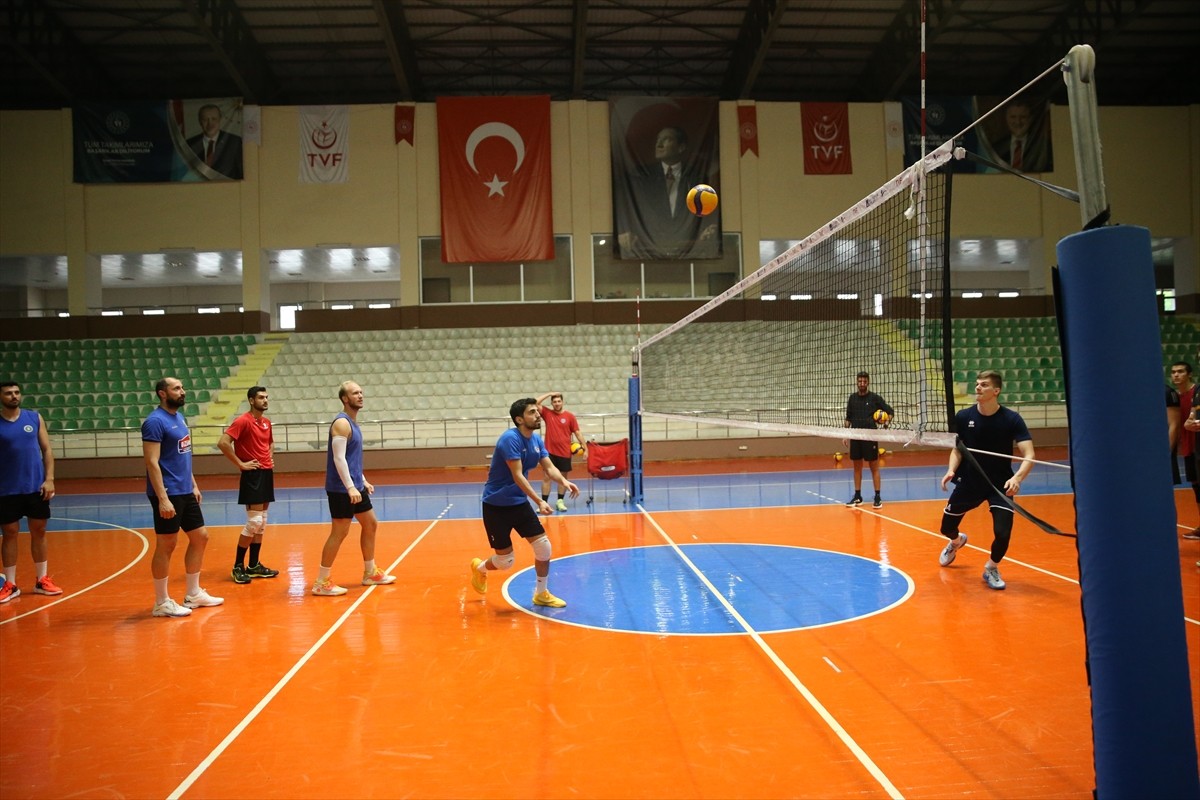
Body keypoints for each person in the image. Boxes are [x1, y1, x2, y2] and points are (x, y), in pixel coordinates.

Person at [469, 398, 580, 608]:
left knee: (544, 548)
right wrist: (539, 501)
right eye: (532, 412)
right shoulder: (509, 439)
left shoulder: (536, 440)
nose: (538, 415)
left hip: (518, 503)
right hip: (496, 505)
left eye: (537, 412)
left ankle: (541, 593)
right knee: (505, 562)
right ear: (520, 419)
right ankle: (480, 568)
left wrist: (564, 481)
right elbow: (518, 475)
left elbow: (549, 467)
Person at [937, 370, 1035, 590]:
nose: (978, 388)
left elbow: (1029, 455)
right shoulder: (963, 417)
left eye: (984, 385)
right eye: (977, 384)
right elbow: (957, 450)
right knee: (946, 528)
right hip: (970, 481)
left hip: (1000, 485)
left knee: (1002, 533)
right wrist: (951, 470)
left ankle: (991, 567)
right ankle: (956, 541)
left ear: (996, 391)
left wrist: (1017, 478)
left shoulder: (1012, 419)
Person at [142, 377, 223, 617]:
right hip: (167, 492)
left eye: (182, 387)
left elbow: (183, 455)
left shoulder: (179, 418)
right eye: (176, 388)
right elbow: (151, 462)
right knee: (166, 545)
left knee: (200, 537)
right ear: (162, 394)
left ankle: (194, 593)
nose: (182, 392)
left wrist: (193, 484)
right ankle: (161, 602)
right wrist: (163, 498)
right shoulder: (154, 422)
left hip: (185, 489)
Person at [312, 381, 396, 596]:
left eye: (361, 392)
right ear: (344, 398)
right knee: (339, 532)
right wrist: (350, 486)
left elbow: (351, 458)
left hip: (356, 486)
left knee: (370, 524)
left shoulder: (353, 423)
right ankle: (322, 581)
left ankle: (370, 573)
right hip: (341, 489)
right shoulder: (341, 424)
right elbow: (339, 459)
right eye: (354, 393)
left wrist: (362, 480)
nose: (360, 395)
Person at [617, 125, 719, 260]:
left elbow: (707, 207)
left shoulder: (697, 176)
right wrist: (624, 231)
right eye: (658, 140)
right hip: (646, 248)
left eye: (666, 139)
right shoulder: (641, 176)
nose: (659, 144)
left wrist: (707, 230)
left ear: (681, 147)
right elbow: (628, 206)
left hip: (690, 248)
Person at [0, 381, 59, 603]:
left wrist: (50, 479)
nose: (14, 396)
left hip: (36, 486)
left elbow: (47, 449)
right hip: (6, 488)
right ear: (1, 397)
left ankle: (42, 580)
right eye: (8, 393)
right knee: (9, 533)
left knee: (39, 530)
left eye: (16, 392)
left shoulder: (34, 418)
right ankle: (11, 584)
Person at [218, 385, 281, 584]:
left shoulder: (266, 423)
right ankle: (238, 566)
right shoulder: (242, 421)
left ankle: (254, 565)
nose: (265, 400)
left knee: (261, 522)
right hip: (252, 475)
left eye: (267, 397)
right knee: (254, 522)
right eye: (261, 397)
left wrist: (268, 458)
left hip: (265, 473)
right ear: (252, 400)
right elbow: (223, 442)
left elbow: (270, 443)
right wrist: (241, 464)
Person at [844, 371, 894, 509]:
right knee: (857, 468)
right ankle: (858, 496)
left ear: (868, 382)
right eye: (860, 381)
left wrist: (885, 423)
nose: (862, 384)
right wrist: (845, 434)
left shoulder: (874, 398)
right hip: (855, 436)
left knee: (874, 467)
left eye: (864, 381)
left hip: (870, 436)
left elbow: (890, 412)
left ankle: (877, 496)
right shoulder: (852, 398)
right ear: (856, 382)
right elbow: (848, 419)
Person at [536, 391, 587, 512]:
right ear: (552, 403)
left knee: (562, 478)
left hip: (564, 452)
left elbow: (577, 433)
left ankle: (560, 501)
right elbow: (535, 402)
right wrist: (549, 393)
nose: (557, 403)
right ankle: (544, 503)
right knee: (546, 477)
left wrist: (586, 449)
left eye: (559, 401)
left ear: (562, 402)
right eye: (554, 401)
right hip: (549, 452)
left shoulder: (570, 416)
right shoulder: (547, 413)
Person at [989, 99, 1052, 173]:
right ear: (1006, 118)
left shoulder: (1044, 147)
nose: (1018, 122)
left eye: (1023, 117)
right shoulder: (997, 148)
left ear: (1030, 119)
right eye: (1013, 117)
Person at [185, 103, 244, 179]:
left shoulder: (234, 142)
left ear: (220, 119)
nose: (210, 123)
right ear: (200, 122)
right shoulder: (190, 144)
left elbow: (241, 174)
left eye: (214, 119)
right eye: (205, 119)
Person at [1176, 359, 1200, 540]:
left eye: (1181, 371)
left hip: (1197, 445)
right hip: (1188, 449)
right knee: (1196, 488)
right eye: (1174, 372)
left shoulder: (1196, 392)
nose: (1176, 375)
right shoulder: (1176, 397)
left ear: (1189, 374)